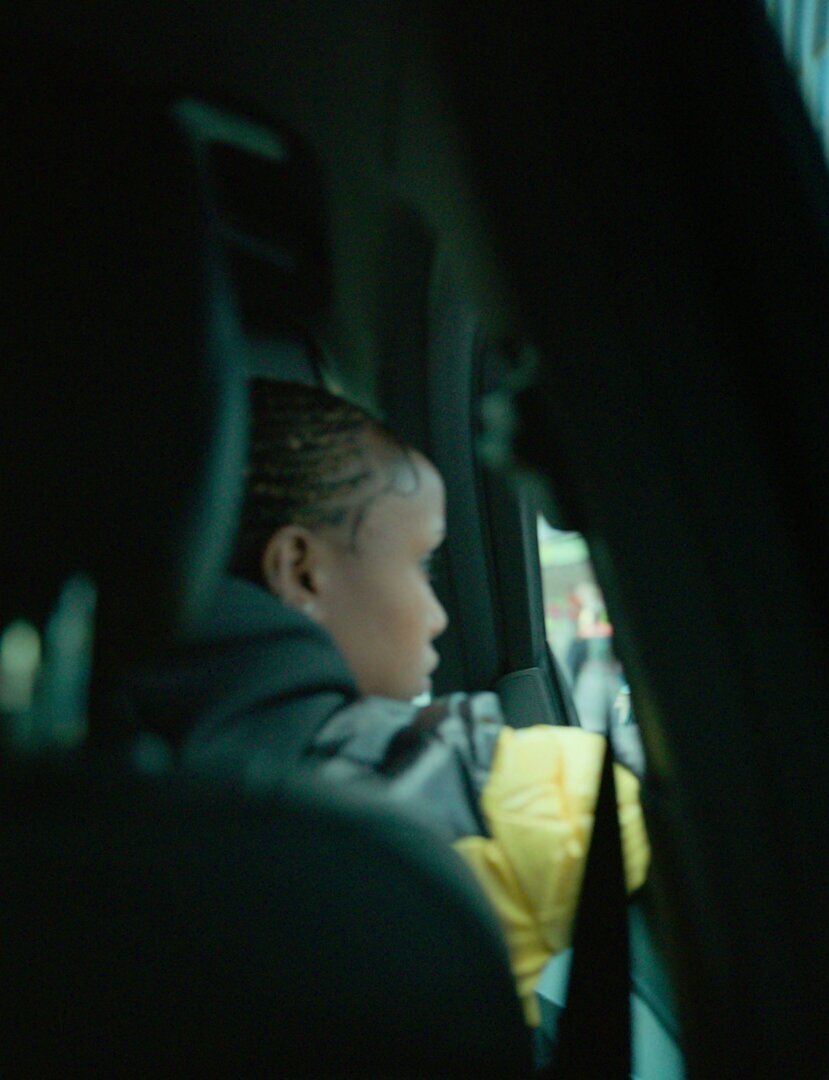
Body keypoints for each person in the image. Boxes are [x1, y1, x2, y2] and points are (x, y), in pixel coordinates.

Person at [100, 377, 648, 1026]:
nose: (438, 615)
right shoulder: (499, 788)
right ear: (300, 570)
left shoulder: (72, 782)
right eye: (423, 565)